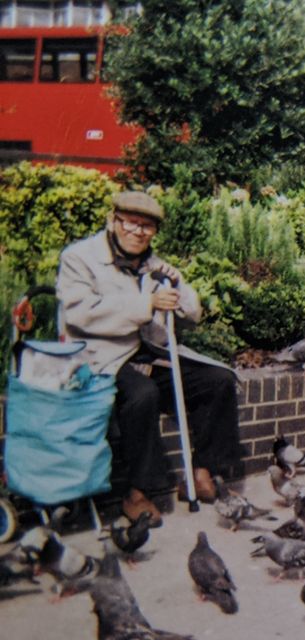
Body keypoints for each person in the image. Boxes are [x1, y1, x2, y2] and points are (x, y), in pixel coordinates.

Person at [56, 191, 242, 526]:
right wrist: (147, 305)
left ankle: (201, 470)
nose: (139, 232)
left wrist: (176, 285)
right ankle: (137, 492)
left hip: (148, 352)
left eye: (148, 227)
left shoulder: (153, 263)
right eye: (131, 222)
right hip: (100, 357)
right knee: (142, 394)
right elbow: (81, 313)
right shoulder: (79, 258)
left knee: (218, 380)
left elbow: (192, 313)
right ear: (113, 221)